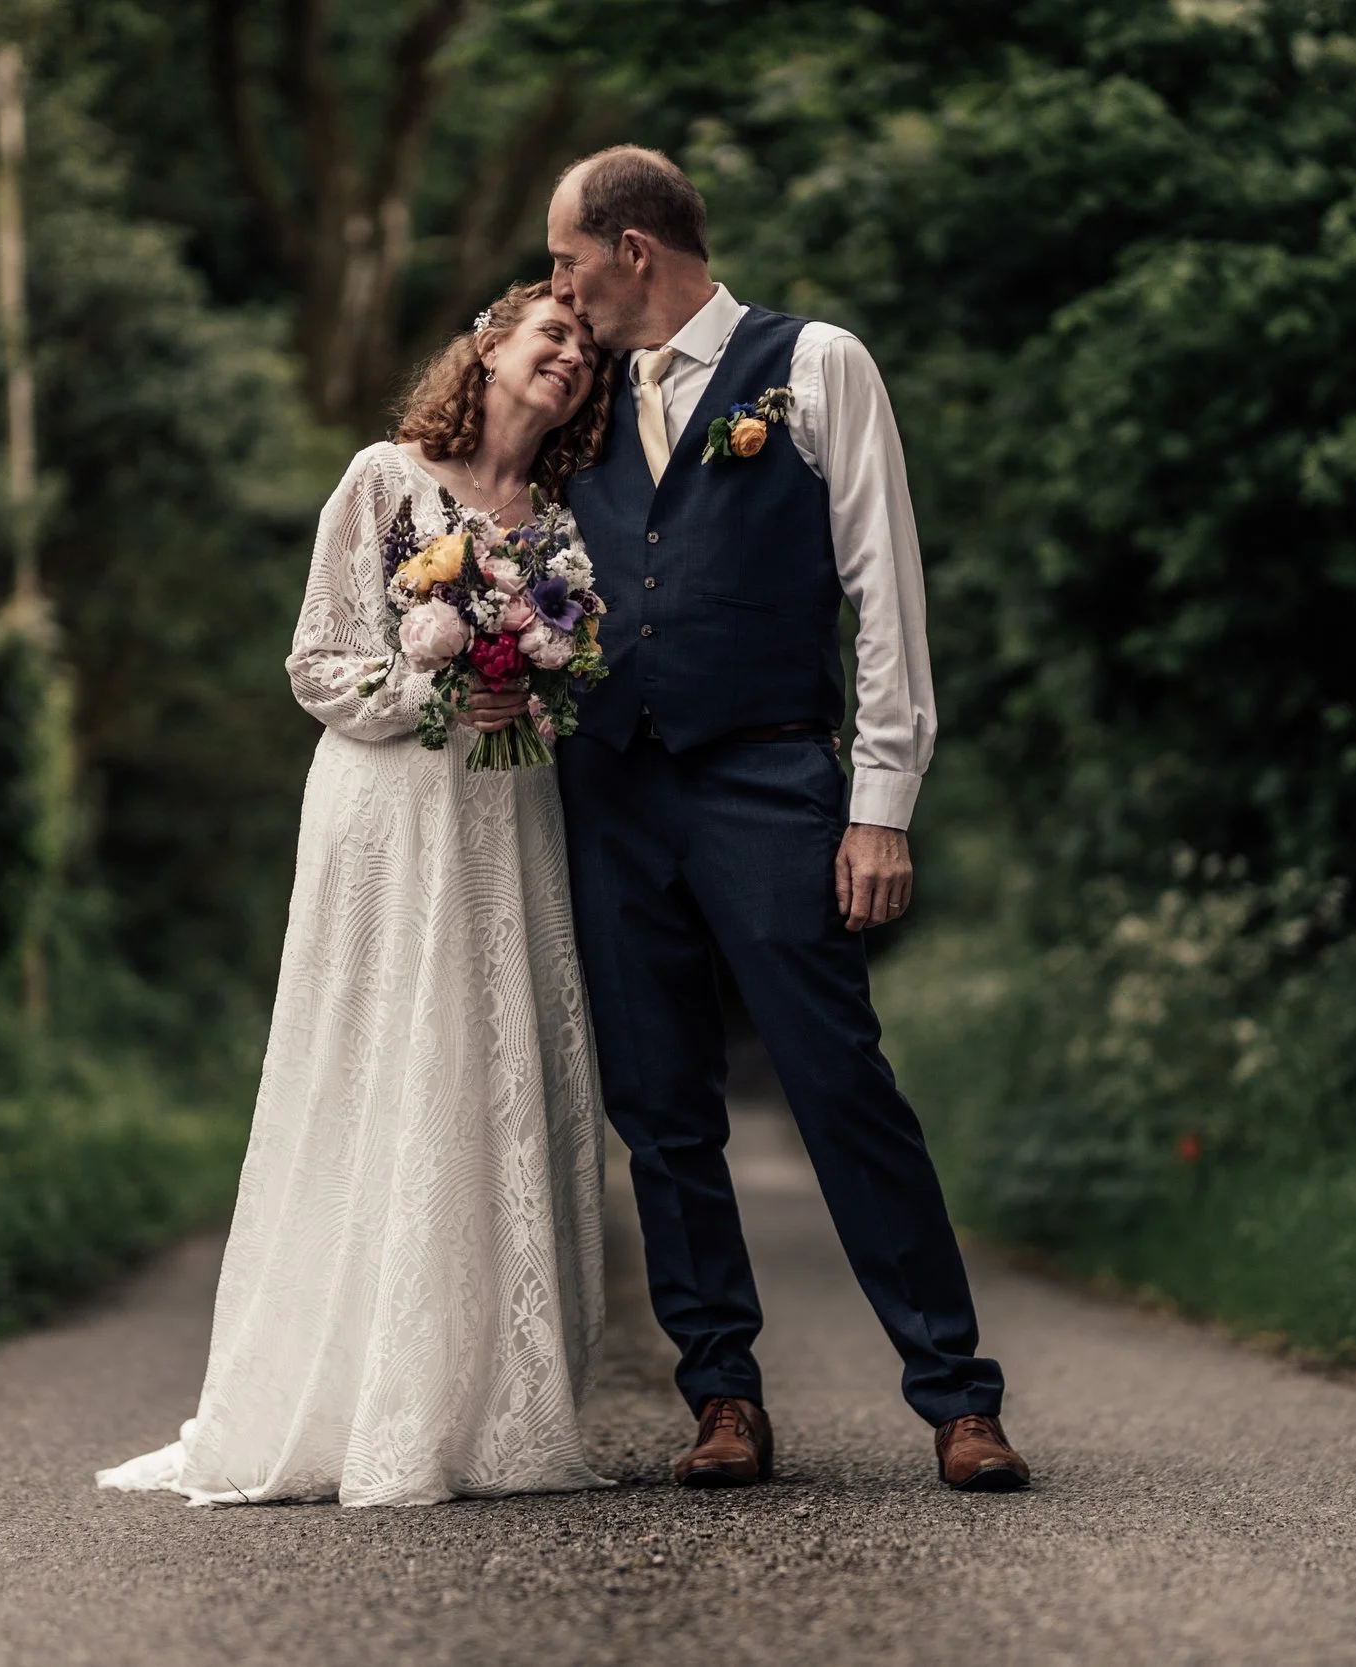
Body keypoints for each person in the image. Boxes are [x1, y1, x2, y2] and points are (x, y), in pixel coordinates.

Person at [544, 146, 1027, 1492]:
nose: (559, 286)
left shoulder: (816, 364)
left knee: (840, 1082)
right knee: (663, 1107)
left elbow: (887, 588)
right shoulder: (579, 396)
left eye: (570, 259)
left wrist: (881, 805)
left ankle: (957, 1393)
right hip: (613, 790)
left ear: (635, 248)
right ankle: (722, 1395)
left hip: (769, 778)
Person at [95, 281, 617, 1507]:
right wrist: (437, 696)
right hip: (388, 808)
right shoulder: (384, 478)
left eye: (589, 354)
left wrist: (533, 690)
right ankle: (352, 1389)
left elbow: (571, 668)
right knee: (387, 1058)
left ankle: (485, 1395)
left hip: (503, 810)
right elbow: (315, 658)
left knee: (486, 1061)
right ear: (486, 347)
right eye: (554, 335)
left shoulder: (559, 519)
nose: (572, 360)